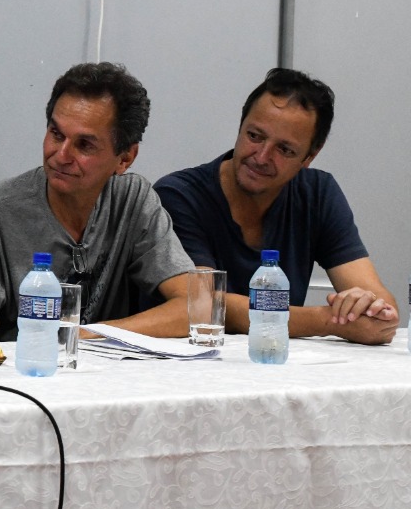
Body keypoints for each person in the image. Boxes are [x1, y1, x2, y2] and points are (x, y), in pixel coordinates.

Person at [0, 62, 192, 340]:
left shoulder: (132, 201)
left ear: (125, 158)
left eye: (84, 145)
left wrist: (83, 336)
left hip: (98, 365)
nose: (61, 155)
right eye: (56, 134)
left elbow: (195, 307)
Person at [154, 68, 398, 344]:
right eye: (255, 136)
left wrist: (372, 310)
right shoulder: (180, 195)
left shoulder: (318, 193)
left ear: (310, 156)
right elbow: (206, 304)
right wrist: (331, 320)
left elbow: (381, 304)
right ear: (240, 126)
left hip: (273, 358)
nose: (261, 157)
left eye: (285, 150)